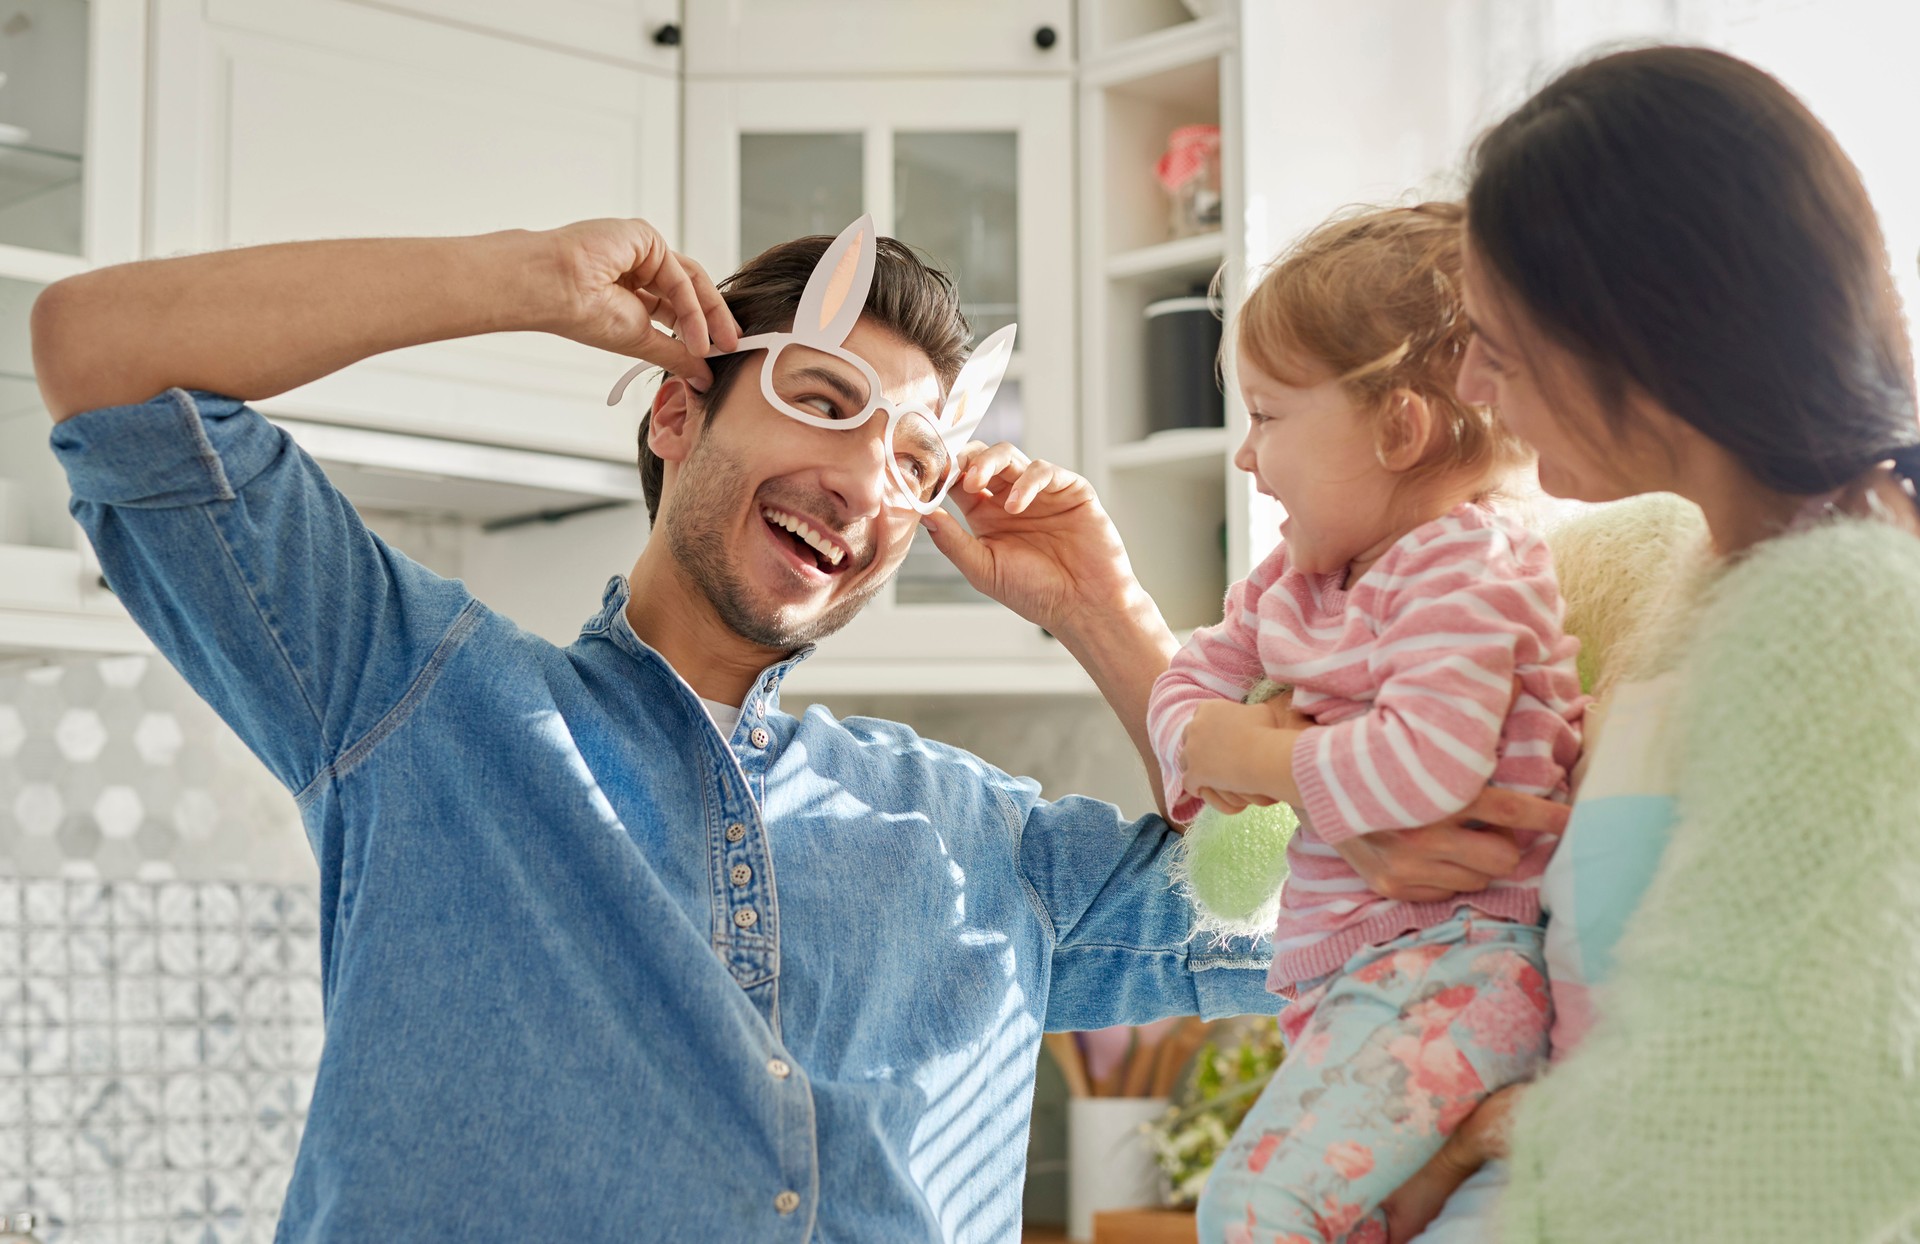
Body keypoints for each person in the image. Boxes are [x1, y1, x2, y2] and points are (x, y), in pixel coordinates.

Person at [28, 210, 1557, 1242]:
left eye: (915, 460)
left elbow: (1282, 898)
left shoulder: (978, 840)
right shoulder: (420, 704)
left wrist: (1099, 609)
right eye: (825, 404)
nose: (867, 483)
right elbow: (101, 355)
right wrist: (517, 282)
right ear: (677, 411)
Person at [1378, 45, 1920, 1243]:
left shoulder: (1848, 616)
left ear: (1646, 335)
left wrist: (1491, 1130)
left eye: (1500, 344)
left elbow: (1787, 1117)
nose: (1470, 378)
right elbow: (1298, 749)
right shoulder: (1645, 566)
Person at [1144, 204, 1584, 1243]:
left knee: (1254, 1208)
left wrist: (1252, 751)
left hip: (1453, 967)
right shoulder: (1298, 580)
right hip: (1361, 977)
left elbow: (1422, 765)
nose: (1248, 456)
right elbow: (1183, 683)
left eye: (1268, 414)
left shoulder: (1466, 562)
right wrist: (1209, 744)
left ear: (1398, 428)